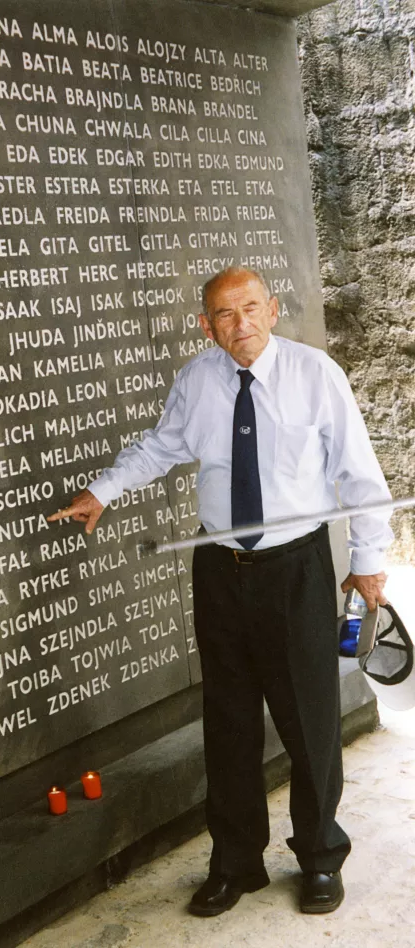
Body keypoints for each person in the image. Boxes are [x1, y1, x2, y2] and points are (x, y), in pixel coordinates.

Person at [48, 266, 394, 917]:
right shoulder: (198, 380)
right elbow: (161, 447)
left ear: (273, 308)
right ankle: (236, 863)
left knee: (310, 722)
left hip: (295, 570)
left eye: (251, 308)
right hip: (219, 571)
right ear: (206, 324)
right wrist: (104, 490)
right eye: (225, 315)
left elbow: (359, 470)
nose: (241, 324)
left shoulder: (315, 375)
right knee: (228, 723)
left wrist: (371, 560)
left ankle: (320, 857)